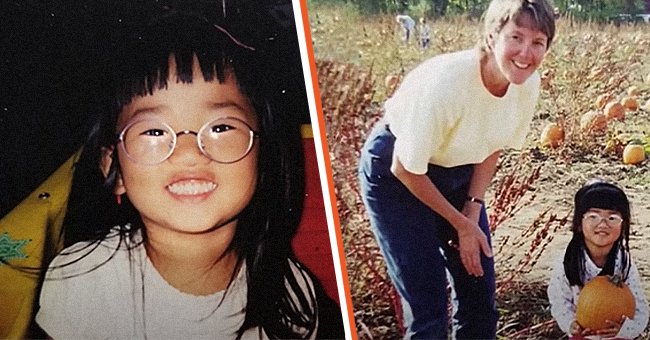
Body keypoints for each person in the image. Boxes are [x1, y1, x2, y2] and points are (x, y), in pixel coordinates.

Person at [34, 9, 343, 339]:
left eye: (221, 127)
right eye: (153, 132)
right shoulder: (82, 284)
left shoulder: (292, 294)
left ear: (262, 157)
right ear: (114, 168)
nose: (188, 151)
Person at [358, 0, 556, 338]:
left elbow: (492, 144)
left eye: (538, 42)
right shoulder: (448, 83)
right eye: (516, 37)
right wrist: (461, 225)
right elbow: (405, 167)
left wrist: (471, 208)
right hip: (397, 176)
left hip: (456, 170)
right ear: (493, 36)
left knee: (479, 295)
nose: (526, 53)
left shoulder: (526, 85)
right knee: (429, 304)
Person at [547, 180, 649, 339]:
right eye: (593, 216)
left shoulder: (623, 263)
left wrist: (626, 330)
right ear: (579, 223)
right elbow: (558, 300)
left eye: (612, 218)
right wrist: (570, 324)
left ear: (623, 225)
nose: (603, 223)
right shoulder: (568, 262)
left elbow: (641, 308)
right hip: (582, 336)